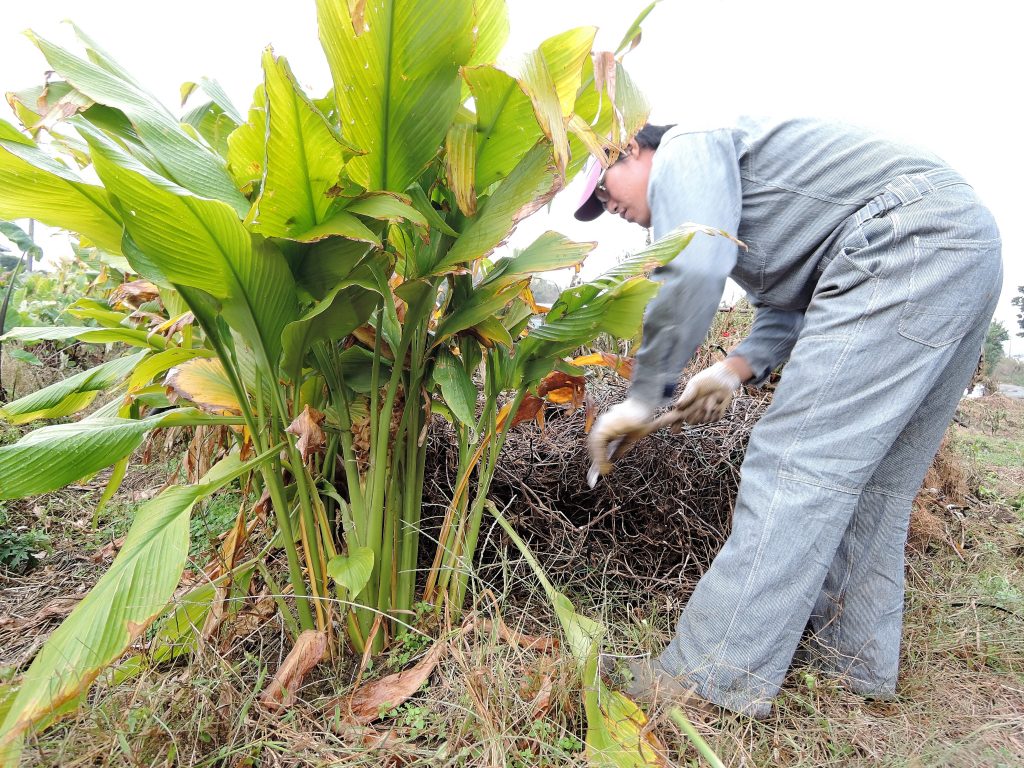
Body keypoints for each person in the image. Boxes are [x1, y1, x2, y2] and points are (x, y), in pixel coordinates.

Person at [581, 118, 1003, 717]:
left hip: (905, 236)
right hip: (959, 245)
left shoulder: (685, 149)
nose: (609, 209)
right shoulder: (747, 200)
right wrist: (732, 370)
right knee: (877, 485)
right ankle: (852, 664)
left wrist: (645, 395)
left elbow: (699, 265)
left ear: (635, 147)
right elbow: (789, 305)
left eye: (603, 188)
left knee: (794, 463)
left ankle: (709, 677)